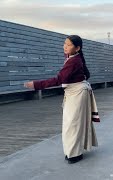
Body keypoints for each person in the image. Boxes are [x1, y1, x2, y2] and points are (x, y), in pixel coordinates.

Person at [24, 35, 99, 164]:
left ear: (77, 48)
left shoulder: (74, 61)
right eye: (64, 43)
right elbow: (86, 74)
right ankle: (73, 152)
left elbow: (59, 79)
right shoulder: (74, 57)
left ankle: (74, 154)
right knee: (73, 123)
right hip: (75, 92)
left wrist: (36, 85)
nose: (65, 46)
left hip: (77, 93)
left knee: (73, 124)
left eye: (69, 45)